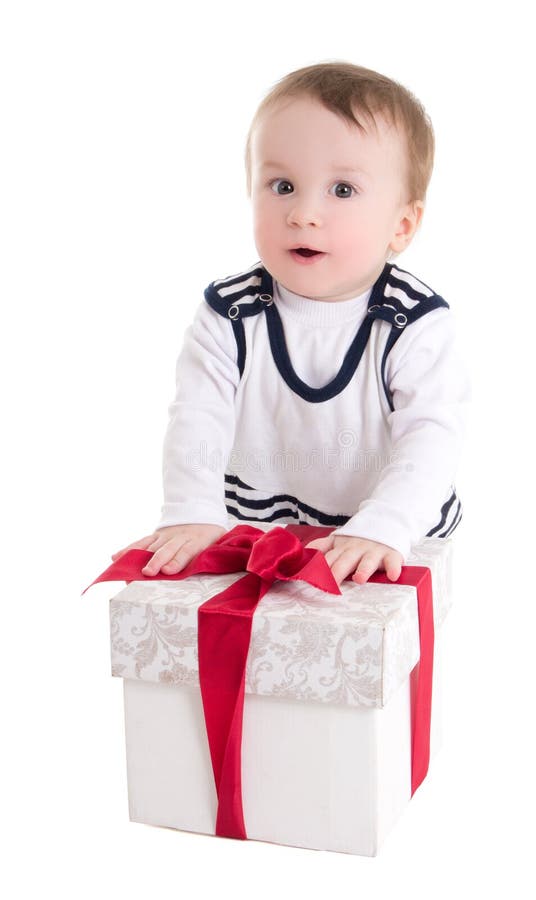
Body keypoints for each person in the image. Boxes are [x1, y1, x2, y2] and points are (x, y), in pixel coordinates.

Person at [111, 61, 471, 587]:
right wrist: (192, 509)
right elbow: (198, 416)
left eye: (342, 190)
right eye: (281, 185)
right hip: (262, 529)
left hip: (397, 532)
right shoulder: (230, 312)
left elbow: (432, 435)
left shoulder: (414, 323)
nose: (303, 213)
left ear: (403, 224)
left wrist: (385, 525)